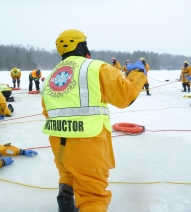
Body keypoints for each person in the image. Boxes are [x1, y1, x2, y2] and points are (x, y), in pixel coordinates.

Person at [40, 29, 146, 212]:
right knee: (93, 196)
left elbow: (47, 111)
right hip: (88, 140)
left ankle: (65, 205)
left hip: (59, 141)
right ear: (81, 45)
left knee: (68, 175)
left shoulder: (50, 77)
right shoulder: (95, 67)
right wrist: (138, 72)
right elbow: (125, 96)